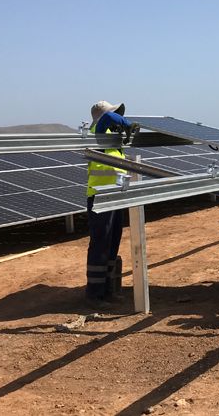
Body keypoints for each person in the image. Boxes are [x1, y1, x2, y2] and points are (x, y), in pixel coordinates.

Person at [85, 100, 138, 306]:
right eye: (115, 115)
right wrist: (125, 123)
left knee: (112, 242)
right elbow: (107, 118)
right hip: (100, 196)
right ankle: (94, 295)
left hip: (115, 195)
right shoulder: (96, 132)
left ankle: (107, 291)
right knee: (100, 243)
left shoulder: (110, 139)